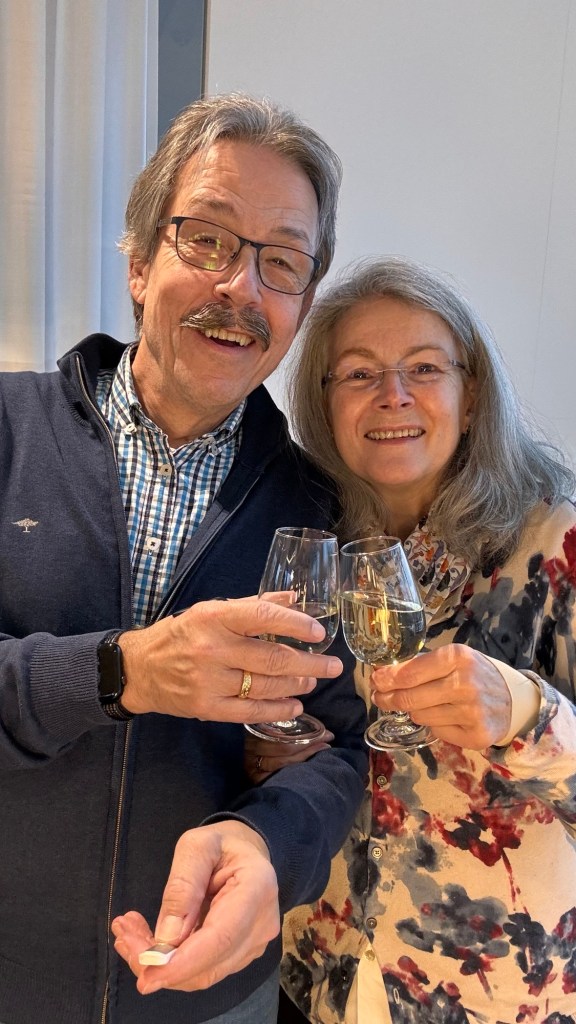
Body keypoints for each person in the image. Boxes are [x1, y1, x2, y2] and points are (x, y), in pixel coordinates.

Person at [0, 94, 369, 1024]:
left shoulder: (318, 507)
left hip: (204, 997)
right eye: (206, 239)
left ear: (302, 305)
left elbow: (339, 744)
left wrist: (273, 846)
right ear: (138, 262)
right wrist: (119, 672)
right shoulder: (8, 431)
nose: (240, 287)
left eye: (281, 262)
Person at [250, 256, 576, 1024]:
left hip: (490, 991)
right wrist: (269, 758)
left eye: (424, 368)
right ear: (324, 402)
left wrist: (528, 712)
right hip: (320, 970)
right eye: (359, 374)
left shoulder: (553, 543)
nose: (392, 394)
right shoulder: (312, 544)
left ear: (472, 392)